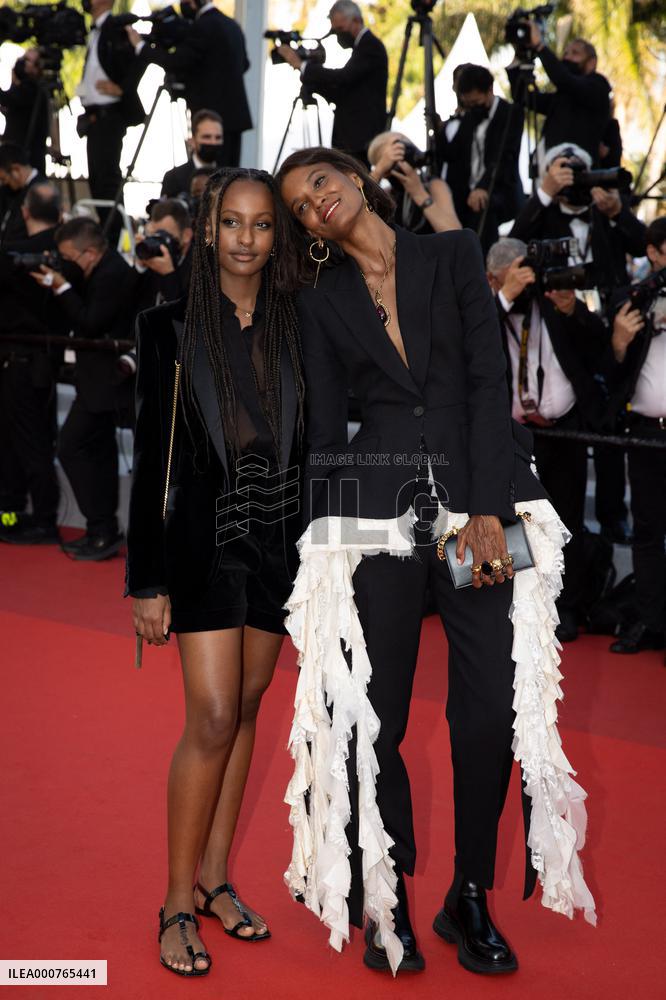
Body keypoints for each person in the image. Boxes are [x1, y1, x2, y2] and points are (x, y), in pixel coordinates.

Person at [276, 147, 595, 976]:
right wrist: (321, 541)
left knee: (487, 710)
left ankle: (471, 896)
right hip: (379, 519)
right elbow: (320, 425)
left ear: (352, 175)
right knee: (376, 714)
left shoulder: (451, 254)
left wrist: (488, 504)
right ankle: (386, 899)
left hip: (478, 511)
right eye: (299, 206)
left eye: (320, 183)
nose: (315, 204)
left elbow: (489, 379)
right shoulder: (319, 299)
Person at [125, 167, 304, 976]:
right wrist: (144, 579)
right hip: (199, 544)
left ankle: (214, 880)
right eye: (231, 222)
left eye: (262, 225)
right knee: (212, 714)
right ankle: (172, 901)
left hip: (279, 544)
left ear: (279, 235)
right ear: (207, 227)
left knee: (249, 709)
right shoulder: (167, 327)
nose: (246, 239)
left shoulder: (299, 321)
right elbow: (147, 464)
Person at [486, 237, 611, 642]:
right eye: (512, 279)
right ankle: (518, 603)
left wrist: (572, 309)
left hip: (565, 429)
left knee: (566, 522)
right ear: (494, 279)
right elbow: (470, 342)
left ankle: (568, 607)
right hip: (514, 435)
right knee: (516, 523)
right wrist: (505, 297)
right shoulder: (491, 308)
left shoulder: (553, 302)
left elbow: (601, 344)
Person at [30, 217, 138, 560]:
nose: (65, 264)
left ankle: (102, 527)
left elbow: (90, 323)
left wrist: (62, 287)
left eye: (69, 257)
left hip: (106, 384)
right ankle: (102, 531)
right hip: (97, 381)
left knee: (71, 447)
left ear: (89, 253)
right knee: (98, 453)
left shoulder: (112, 274)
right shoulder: (102, 270)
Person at [607, 216, 666, 656]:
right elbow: (614, 374)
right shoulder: (637, 299)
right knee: (646, 531)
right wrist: (619, 344)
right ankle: (649, 620)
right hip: (644, 433)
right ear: (654, 253)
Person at [0, 183, 63, 545]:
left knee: (23, 442)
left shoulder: (11, 256)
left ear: (25, 212)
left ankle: (39, 519)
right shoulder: (66, 251)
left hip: (19, 362)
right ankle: (16, 515)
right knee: (29, 440)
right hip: (44, 361)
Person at [510, 143, 647, 301]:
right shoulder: (542, 215)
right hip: (558, 310)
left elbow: (644, 247)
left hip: (610, 309)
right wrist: (545, 192)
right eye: (564, 175)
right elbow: (514, 243)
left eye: (580, 174)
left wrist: (617, 213)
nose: (573, 181)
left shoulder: (607, 207)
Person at [128, 1, 251, 168]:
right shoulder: (232, 25)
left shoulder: (202, 26)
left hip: (209, 115)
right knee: (230, 174)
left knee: (211, 176)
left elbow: (177, 62)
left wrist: (141, 47)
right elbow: (244, 64)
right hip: (235, 115)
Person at [279, 1, 388, 165]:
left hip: (361, 137)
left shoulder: (370, 46)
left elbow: (343, 78)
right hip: (352, 136)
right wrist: (311, 79)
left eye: (340, 30)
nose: (338, 35)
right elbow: (343, 91)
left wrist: (303, 66)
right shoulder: (363, 47)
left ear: (356, 21)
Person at [76, 0, 145, 240]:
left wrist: (123, 89)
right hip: (94, 117)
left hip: (110, 116)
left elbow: (140, 56)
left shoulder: (116, 28)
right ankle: (108, 235)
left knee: (107, 180)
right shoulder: (96, 30)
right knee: (97, 178)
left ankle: (116, 238)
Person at [437, 64, 524, 252]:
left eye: (476, 103)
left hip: (499, 190)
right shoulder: (470, 115)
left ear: (489, 90)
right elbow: (452, 154)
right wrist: (438, 131)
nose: (473, 109)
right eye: (468, 104)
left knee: (483, 211)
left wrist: (482, 187)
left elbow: (504, 158)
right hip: (468, 194)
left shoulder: (510, 113)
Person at [508, 30, 610, 165]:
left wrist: (540, 46)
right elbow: (526, 98)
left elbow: (566, 80)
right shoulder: (562, 97)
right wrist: (518, 59)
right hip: (549, 173)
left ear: (591, 62)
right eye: (565, 53)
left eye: (575, 53)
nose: (567, 58)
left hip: (578, 171)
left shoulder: (598, 86)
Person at [368, 131, 460, 234]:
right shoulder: (386, 195)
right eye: (396, 151)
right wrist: (377, 172)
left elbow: (456, 235)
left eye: (406, 144)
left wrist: (418, 193)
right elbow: (357, 202)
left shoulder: (433, 186)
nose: (405, 150)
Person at [134, 198, 194, 311]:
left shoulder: (203, 268)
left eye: (164, 236)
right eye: (155, 236)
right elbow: (125, 305)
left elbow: (186, 316)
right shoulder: (153, 255)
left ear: (186, 236)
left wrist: (168, 275)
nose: (159, 242)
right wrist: (140, 266)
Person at [0, 48, 50, 175]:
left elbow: (8, 99)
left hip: (26, 160)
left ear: (37, 68)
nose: (21, 63)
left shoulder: (32, 89)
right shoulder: (25, 88)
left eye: (27, 60)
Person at [161, 109, 224, 200]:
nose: (213, 142)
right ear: (192, 141)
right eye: (207, 137)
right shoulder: (174, 177)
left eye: (218, 137)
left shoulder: (228, 175)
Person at [0, 143, 45, 247]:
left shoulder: (41, 191)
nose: (4, 184)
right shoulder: (12, 190)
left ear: (16, 170)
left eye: (4, 179)